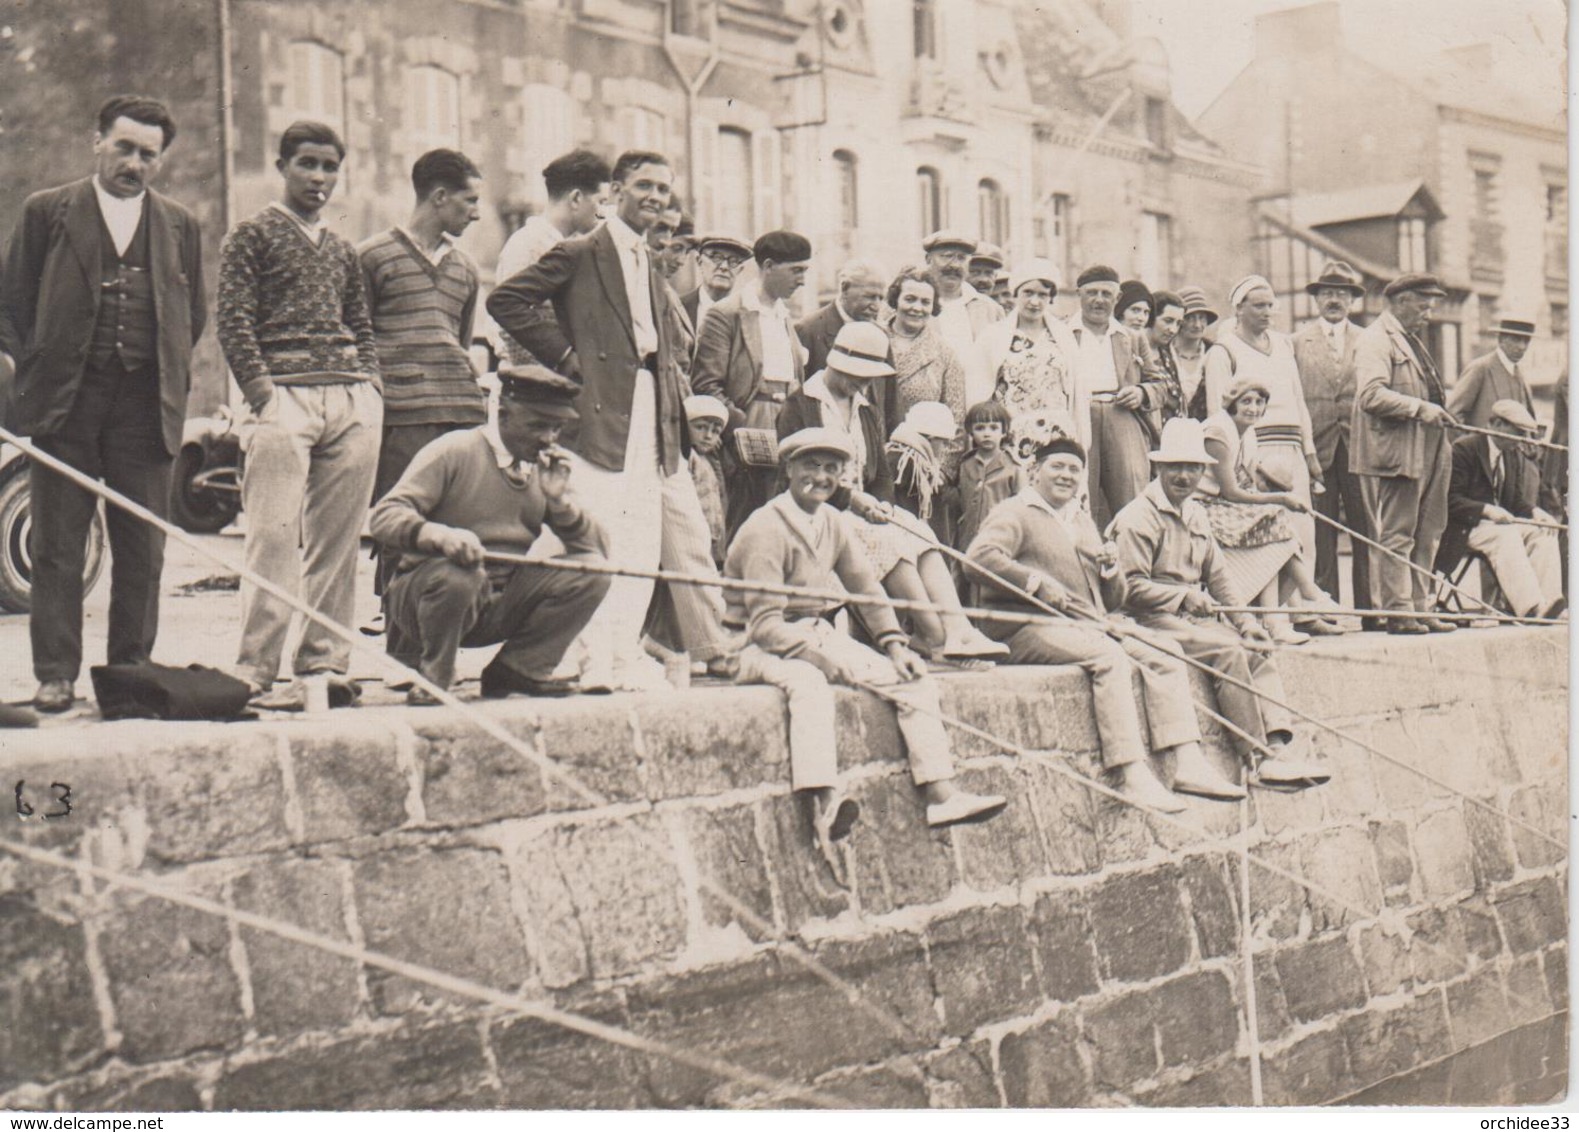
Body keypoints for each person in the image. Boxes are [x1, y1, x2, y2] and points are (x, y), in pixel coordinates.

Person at [487, 149, 730, 691]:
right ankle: (586, 658)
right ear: (615, 191)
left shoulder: (649, 259)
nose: (654, 197)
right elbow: (508, 301)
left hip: (652, 407)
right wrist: (568, 359)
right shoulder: (580, 251)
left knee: (643, 535)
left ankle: (623, 657)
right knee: (601, 532)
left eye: (663, 190)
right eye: (643, 186)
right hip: (602, 410)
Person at [0, 94, 205, 713]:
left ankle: (130, 671)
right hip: (68, 402)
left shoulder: (179, 224)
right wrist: (29, 372)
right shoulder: (48, 212)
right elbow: (12, 305)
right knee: (59, 542)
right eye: (123, 147)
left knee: (143, 543)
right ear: (97, 142)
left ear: (159, 161)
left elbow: (190, 316)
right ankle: (55, 673)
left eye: (148, 154)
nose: (134, 163)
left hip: (145, 404)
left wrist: (157, 366)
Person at [725, 425, 1009, 851]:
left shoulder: (831, 523)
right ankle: (824, 803)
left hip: (811, 632)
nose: (820, 477)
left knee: (913, 679)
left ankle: (942, 794)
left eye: (831, 470)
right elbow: (765, 625)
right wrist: (818, 659)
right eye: (811, 466)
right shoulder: (767, 527)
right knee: (809, 684)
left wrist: (895, 645)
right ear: (788, 469)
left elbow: (866, 588)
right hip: (751, 642)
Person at [966, 433, 1229, 810]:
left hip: (1086, 623)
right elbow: (978, 559)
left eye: (1075, 469)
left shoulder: (1081, 520)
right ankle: (1131, 773)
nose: (1066, 475)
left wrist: (1109, 573)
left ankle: (1188, 763)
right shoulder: (1015, 511)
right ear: (1035, 471)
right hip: (1024, 625)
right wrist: (1036, 583)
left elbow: (1112, 602)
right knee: (1108, 657)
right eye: (1057, 466)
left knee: (1165, 650)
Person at [217, 121, 382, 708]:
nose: (319, 178)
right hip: (284, 400)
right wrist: (264, 395)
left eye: (330, 167)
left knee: (337, 543)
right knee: (272, 536)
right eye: (307, 164)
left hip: (349, 400)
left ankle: (323, 666)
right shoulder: (251, 235)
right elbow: (232, 321)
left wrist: (371, 386)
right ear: (282, 165)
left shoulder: (340, 247)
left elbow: (360, 324)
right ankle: (255, 670)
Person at [1109, 418, 1331, 789]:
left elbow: (1219, 576)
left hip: (1191, 614)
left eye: (1193, 468)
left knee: (1255, 646)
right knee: (1227, 651)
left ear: (1203, 471)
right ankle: (1256, 760)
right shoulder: (1137, 517)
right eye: (1176, 467)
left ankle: (1278, 747)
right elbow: (1127, 589)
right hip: (1150, 618)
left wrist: (1245, 622)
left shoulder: (1195, 511)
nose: (1184, 476)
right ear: (1159, 467)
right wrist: (1184, 595)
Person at [368, 367, 610, 702]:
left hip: (495, 600)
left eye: (556, 428)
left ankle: (518, 670)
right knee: (461, 574)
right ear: (503, 415)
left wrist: (559, 501)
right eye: (537, 425)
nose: (549, 438)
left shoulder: (541, 467)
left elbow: (595, 552)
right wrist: (439, 536)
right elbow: (384, 516)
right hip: (428, 598)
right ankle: (434, 677)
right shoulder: (455, 450)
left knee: (592, 572)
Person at [777, 322, 1004, 664]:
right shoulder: (801, 405)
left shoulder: (864, 408)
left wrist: (882, 505)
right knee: (887, 541)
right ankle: (935, 637)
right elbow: (799, 475)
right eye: (858, 375)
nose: (864, 384)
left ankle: (959, 630)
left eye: (869, 378)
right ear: (837, 365)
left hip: (861, 510)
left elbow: (880, 471)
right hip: (817, 512)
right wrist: (852, 500)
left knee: (916, 530)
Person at [359, 149, 486, 663]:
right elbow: (358, 336)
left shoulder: (466, 269)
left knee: (453, 531)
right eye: (469, 200)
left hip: (459, 417)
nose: (476, 212)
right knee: (401, 530)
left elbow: (461, 339)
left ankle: (436, 656)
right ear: (438, 197)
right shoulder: (372, 257)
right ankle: (400, 657)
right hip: (401, 417)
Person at [1351, 273, 1459, 634]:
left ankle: (1420, 605)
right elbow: (1370, 395)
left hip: (1431, 444)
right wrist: (1419, 408)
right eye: (1423, 305)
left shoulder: (1412, 340)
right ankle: (1399, 611)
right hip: (1400, 448)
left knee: (1429, 529)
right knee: (1399, 531)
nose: (1428, 313)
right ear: (1399, 302)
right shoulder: (1374, 340)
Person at [1199, 380, 1346, 642]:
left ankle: (1278, 619)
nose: (1253, 408)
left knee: (1279, 536)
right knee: (1275, 522)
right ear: (1232, 403)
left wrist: (1275, 493)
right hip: (1200, 507)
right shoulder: (1218, 432)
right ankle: (1306, 595)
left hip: (1222, 505)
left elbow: (1249, 484)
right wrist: (1281, 499)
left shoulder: (1248, 433)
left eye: (1259, 402)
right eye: (1246, 402)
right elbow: (1231, 492)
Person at [692, 230, 812, 535]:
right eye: (796, 271)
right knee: (744, 524)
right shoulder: (727, 314)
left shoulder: (784, 316)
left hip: (787, 428)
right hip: (747, 430)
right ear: (769, 266)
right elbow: (707, 385)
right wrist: (741, 429)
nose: (802, 280)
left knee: (783, 526)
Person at [1204, 277, 1321, 573]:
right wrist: (1239, 464)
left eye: (1270, 305)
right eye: (1258, 306)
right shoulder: (1223, 351)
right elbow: (1218, 413)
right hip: (1255, 450)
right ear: (1239, 309)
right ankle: (1279, 609)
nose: (1267, 312)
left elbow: (1298, 399)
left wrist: (1309, 452)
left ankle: (1307, 607)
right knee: (1268, 530)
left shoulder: (1282, 344)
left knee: (1303, 526)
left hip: (1292, 447)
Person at [1291, 261, 1373, 617]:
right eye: (1327, 293)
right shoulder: (1296, 342)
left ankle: (1371, 609)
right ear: (1316, 300)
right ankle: (1328, 609)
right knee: (1322, 531)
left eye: (1342, 294)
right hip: (1318, 448)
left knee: (1365, 528)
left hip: (1359, 448)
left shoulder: (1368, 340)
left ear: (1352, 301)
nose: (1334, 300)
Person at [1439, 399, 1565, 620]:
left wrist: (1536, 512)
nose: (1522, 440)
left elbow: (1514, 500)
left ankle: (1549, 601)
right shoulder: (1464, 449)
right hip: (1465, 527)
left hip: (1497, 526)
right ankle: (1531, 608)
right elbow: (1450, 500)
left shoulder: (1511, 454)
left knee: (1542, 532)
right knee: (1504, 535)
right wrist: (1487, 510)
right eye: (1517, 432)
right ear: (1496, 425)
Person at [1065, 265, 1170, 529]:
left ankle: (1131, 562)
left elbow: (1158, 384)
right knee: (1078, 495)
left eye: (1106, 293)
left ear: (1117, 297)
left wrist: (1140, 392)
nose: (1098, 300)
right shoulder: (1062, 332)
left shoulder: (1132, 338)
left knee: (1131, 496)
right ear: (1079, 294)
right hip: (1079, 417)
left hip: (1121, 415)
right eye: (1091, 293)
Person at [493, 149, 611, 367]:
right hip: (536, 389)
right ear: (576, 198)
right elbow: (513, 331)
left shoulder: (569, 244)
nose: (604, 213)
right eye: (601, 201)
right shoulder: (528, 245)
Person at [976, 259, 1081, 445]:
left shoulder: (1063, 337)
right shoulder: (992, 336)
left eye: (1042, 295)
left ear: (1051, 298)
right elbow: (980, 392)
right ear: (1015, 294)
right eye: (1028, 293)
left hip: (1057, 436)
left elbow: (1075, 394)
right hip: (1011, 436)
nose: (1034, 302)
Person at [922, 230, 1003, 406]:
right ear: (928, 260)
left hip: (977, 413)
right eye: (946, 256)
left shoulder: (990, 309)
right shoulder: (915, 305)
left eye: (961, 258)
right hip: (927, 411)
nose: (954, 265)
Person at [885, 265, 967, 430]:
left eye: (925, 302)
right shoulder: (874, 338)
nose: (917, 308)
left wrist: (936, 456)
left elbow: (955, 423)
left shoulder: (944, 354)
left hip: (923, 452)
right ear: (896, 299)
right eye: (910, 299)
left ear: (933, 307)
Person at [795, 259, 890, 383]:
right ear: (845, 288)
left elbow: (889, 396)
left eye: (881, 298)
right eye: (869, 297)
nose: (876, 306)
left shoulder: (881, 336)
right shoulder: (808, 330)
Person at [955, 399, 1026, 554]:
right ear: (971, 432)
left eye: (994, 428)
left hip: (999, 538)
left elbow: (1022, 506)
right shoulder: (965, 465)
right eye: (980, 428)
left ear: (1004, 431)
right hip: (968, 537)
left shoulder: (1012, 467)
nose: (987, 433)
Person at [885, 401, 959, 546]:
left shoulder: (900, 456)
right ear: (931, 438)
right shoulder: (910, 463)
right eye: (943, 442)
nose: (944, 448)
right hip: (909, 541)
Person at [1448, 317, 1538, 429]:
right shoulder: (1480, 368)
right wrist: (1470, 445)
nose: (1522, 347)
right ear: (1501, 339)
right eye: (1516, 339)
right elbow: (1452, 414)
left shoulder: (1520, 375)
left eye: (1526, 341)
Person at [682, 394, 729, 566]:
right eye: (700, 427)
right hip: (691, 535)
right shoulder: (688, 458)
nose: (708, 435)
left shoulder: (709, 461)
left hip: (711, 537)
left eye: (715, 431)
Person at [682, 235, 752, 331]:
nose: (724, 267)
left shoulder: (748, 314)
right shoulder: (679, 308)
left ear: (740, 270)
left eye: (733, 261)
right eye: (716, 258)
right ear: (699, 262)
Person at [1171, 285, 1217, 421]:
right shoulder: (1163, 353)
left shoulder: (1215, 353)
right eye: (1190, 318)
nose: (1197, 325)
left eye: (1201, 318)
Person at [1147, 290, 1186, 426]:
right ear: (1151, 317)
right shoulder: (1135, 354)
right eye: (1168, 321)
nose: (1173, 330)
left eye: (1178, 323)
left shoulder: (1167, 356)